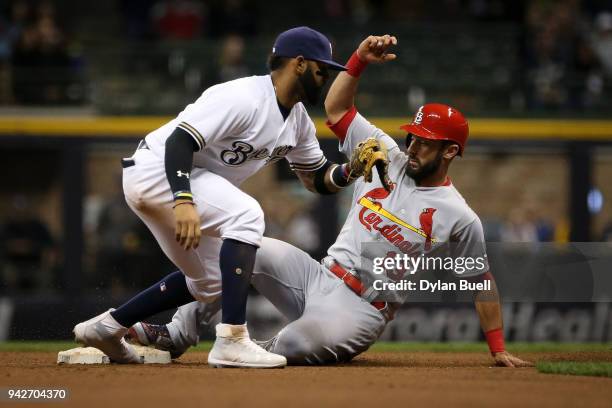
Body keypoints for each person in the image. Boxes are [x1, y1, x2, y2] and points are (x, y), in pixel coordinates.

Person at [126, 35, 532, 367]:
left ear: (449, 152)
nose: (413, 146)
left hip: (361, 309)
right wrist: (358, 60)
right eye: (413, 136)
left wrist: (496, 347)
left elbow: (481, 281)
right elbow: (337, 109)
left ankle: (256, 350)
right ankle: (176, 334)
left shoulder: (460, 216)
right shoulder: (384, 153)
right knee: (239, 247)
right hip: (317, 276)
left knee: (296, 344)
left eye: (426, 143)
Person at [73, 27, 372, 368]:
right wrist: (183, 199)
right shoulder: (244, 96)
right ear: (299, 64)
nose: (326, 79)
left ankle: (106, 327)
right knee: (247, 215)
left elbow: (315, 178)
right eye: (322, 71)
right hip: (157, 170)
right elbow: (179, 142)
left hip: (175, 182)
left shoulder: (299, 121)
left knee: (212, 280)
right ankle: (231, 339)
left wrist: (350, 170)